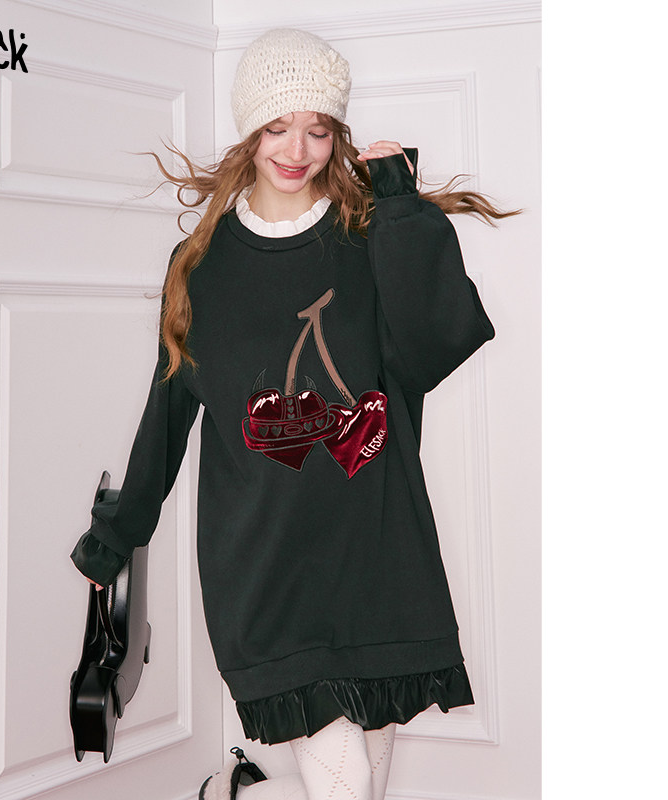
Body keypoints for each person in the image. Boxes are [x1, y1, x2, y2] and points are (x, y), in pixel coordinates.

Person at [70, 27, 516, 800]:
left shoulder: (367, 236)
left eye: (318, 129)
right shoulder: (201, 266)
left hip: (380, 558)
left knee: (359, 785)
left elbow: (435, 344)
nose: (297, 149)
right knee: (346, 784)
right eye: (278, 126)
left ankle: (237, 793)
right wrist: (116, 536)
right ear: (250, 130)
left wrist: (399, 205)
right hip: (266, 570)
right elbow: (169, 412)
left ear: (337, 134)